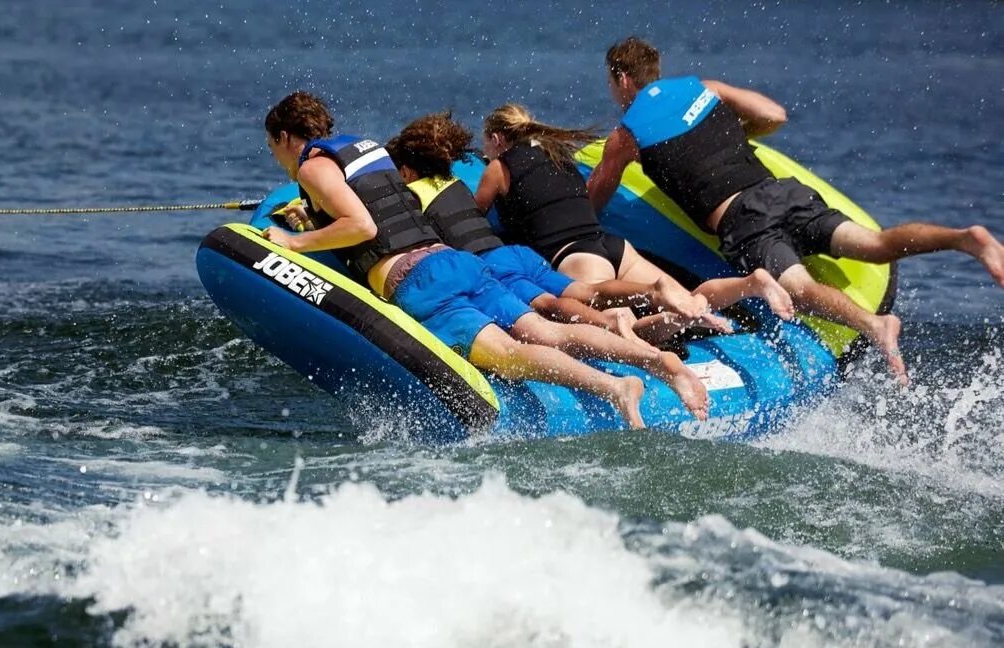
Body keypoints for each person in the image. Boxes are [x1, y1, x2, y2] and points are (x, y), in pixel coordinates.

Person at [590, 37, 1004, 385]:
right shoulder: (705, 88)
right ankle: (965, 239)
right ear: (655, 69)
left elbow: (597, 197)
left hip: (744, 220)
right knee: (874, 244)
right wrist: (730, 133)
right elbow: (774, 115)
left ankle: (874, 325)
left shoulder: (625, 136)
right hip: (780, 190)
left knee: (798, 291)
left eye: (611, 83)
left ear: (622, 79)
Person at [260, 91, 682, 428]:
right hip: (455, 261)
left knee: (510, 355)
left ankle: (613, 387)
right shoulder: (368, 149)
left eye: (271, 146)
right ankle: (654, 360)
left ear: (284, 137)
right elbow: (381, 209)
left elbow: (364, 227)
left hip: (419, 279)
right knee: (548, 333)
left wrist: (293, 242)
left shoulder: (311, 168)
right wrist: (310, 217)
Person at [477, 104, 795, 330]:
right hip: (612, 245)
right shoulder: (560, 156)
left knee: (614, 328)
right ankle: (751, 283)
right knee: (688, 298)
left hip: (575, 257)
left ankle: (679, 320)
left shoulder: (498, 167)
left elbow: (475, 214)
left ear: (496, 139)